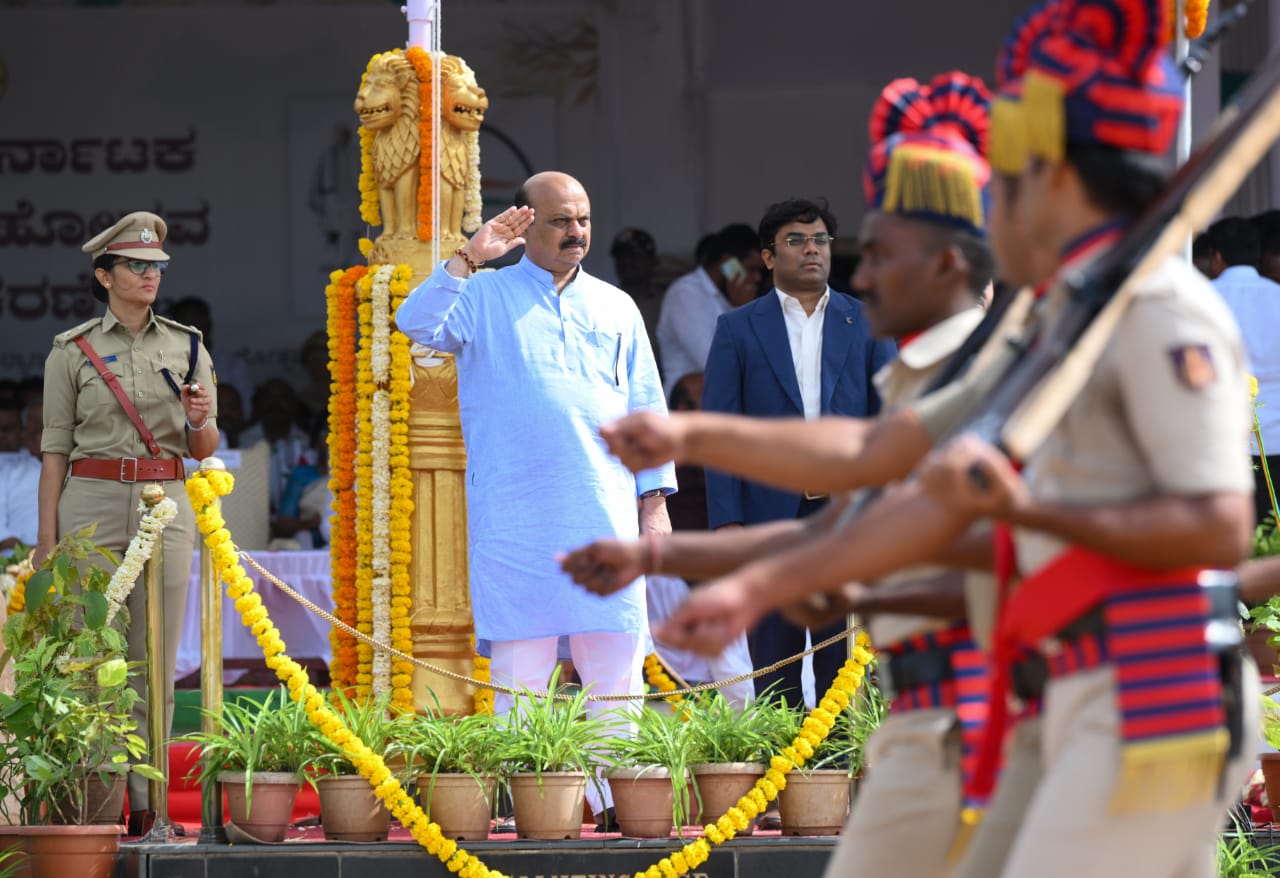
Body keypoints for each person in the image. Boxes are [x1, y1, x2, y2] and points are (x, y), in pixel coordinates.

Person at [650, 3, 1257, 875]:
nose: (987, 210)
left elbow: (1216, 529)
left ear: (1049, 180)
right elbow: (892, 473)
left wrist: (1020, 507)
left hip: (1149, 683)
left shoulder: (1154, 308)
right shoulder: (1055, 322)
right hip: (1059, 687)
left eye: (1000, 185)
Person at [395, 171, 676, 828]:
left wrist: (654, 501)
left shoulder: (616, 305)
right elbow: (415, 321)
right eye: (560, 221)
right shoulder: (485, 293)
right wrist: (469, 256)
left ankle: (615, 807)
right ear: (526, 224)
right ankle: (536, 809)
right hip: (517, 518)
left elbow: (647, 407)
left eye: (582, 219)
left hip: (604, 512)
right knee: (522, 670)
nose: (576, 232)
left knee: (615, 665)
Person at [37, 211, 217, 834]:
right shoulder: (71, 349)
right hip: (88, 502)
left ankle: (150, 808)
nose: (149, 276)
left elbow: (204, 446)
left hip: (165, 502)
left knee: (154, 657)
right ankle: (94, 804)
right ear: (104, 274)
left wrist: (197, 417)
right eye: (136, 266)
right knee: (86, 656)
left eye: (157, 267)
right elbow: (54, 450)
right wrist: (45, 541)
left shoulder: (188, 344)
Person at [701, 197, 894, 714]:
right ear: (767, 257)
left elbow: (889, 423)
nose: (812, 250)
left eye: (820, 240)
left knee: (841, 657)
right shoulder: (738, 329)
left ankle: (832, 780)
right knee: (775, 657)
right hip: (768, 516)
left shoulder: (869, 322)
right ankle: (777, 775)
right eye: (796, 241)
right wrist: (729, 524)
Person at [1205, 216, 1280, 527]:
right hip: (1277, 440)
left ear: (1217, 257)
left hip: (1222, 441)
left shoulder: (1202, 299)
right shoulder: (1277, 296)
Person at [657, 224, 766, 397]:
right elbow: (713, 361)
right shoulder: (685, 293)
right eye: (751, 269)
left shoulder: (730, 298)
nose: (758, 277)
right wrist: (743, 309)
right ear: (728, 264)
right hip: (689, 406)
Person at [610, 227, 664, 360]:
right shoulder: (604, 302)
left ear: (653, 260)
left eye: (634, 255)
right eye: (621, 257)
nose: (626, 262)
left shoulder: (668, 301)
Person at [0, 399, 39, 551]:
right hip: (14, 565)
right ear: (26, 435)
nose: (1, 435)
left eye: (8, 429)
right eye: (38, 430)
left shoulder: (74, 470)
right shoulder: (9, 472)